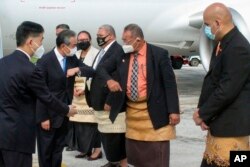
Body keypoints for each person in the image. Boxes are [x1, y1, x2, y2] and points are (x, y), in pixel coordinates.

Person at [97, 23, 180, 167]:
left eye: (127, 40)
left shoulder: (159, 54)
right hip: (133, 113)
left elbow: (170, 84)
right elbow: (102, 68)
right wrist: (109, 80)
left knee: (156, 154)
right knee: (137, 156)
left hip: (154, 110)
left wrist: (174, 110)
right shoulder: (122, 55)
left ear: (138, 40)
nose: (124, 43)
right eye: (123, 40)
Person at [0, 21, 76, 167]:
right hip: (19, 136)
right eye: (40, 40)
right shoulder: (30, 69)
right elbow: (46, 96)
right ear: (30, 41)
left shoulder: (2, 63)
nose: (41, 45)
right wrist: (66, 110)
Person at [193, 3, 250, 167]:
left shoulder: (238, 47)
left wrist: (203, 113)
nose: (206, 29)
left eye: (207, 25)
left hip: (232, 129)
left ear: (218, 23)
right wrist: (203, 112)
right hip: (221, 125)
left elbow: (227, 90)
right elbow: (212, 81)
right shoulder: (223, 44)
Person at [36, 30, 95, 167]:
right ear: (64, 46)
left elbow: (92, 70)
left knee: (58, 149)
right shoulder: (45, 61)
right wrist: (43, 117)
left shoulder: (72, 59)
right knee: (46, 151)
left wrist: (77, 70)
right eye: (74, 45)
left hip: (64, 113)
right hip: (48, 115)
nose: (76, 48)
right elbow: (40, 92)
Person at [85, 25, 127, 167]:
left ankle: (120, 163)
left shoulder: (117, 51)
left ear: (111, 36)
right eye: (97, 34)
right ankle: (113, 161)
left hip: (109, 102)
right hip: (99, 100)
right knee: (106, 135)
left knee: (115, 136)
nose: (98, 38)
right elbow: (96, 71)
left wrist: (110, 100)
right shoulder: (103, 51)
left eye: (101, 35)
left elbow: (119, 78)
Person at [69, 30, 101, 159]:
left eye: (85, 39)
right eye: (80, 40)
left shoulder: (96, 53)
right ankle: (85, 149)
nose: (82, 42)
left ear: (90, 39)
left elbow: (97, 73)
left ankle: (97, 150)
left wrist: (85, 89)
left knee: (93, 123)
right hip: (76, 92)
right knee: (80, 123)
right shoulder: (75, 54)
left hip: (89, 90)